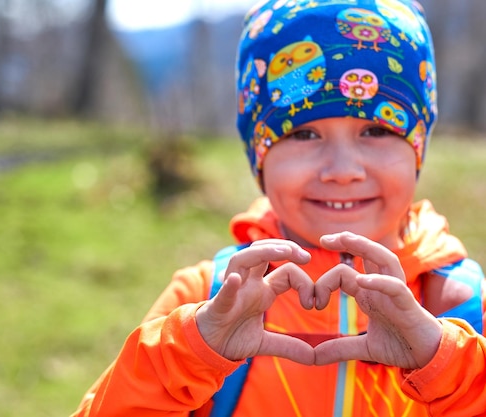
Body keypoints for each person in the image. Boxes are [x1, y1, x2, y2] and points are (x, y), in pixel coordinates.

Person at [71, 0, 486, 416]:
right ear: (260, 158)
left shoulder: (467, 308)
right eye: (303, 134)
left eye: (376, 129)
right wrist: (192, 355)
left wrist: (447, 366)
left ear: (417, 148)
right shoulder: (205, 302)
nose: (342, 171)